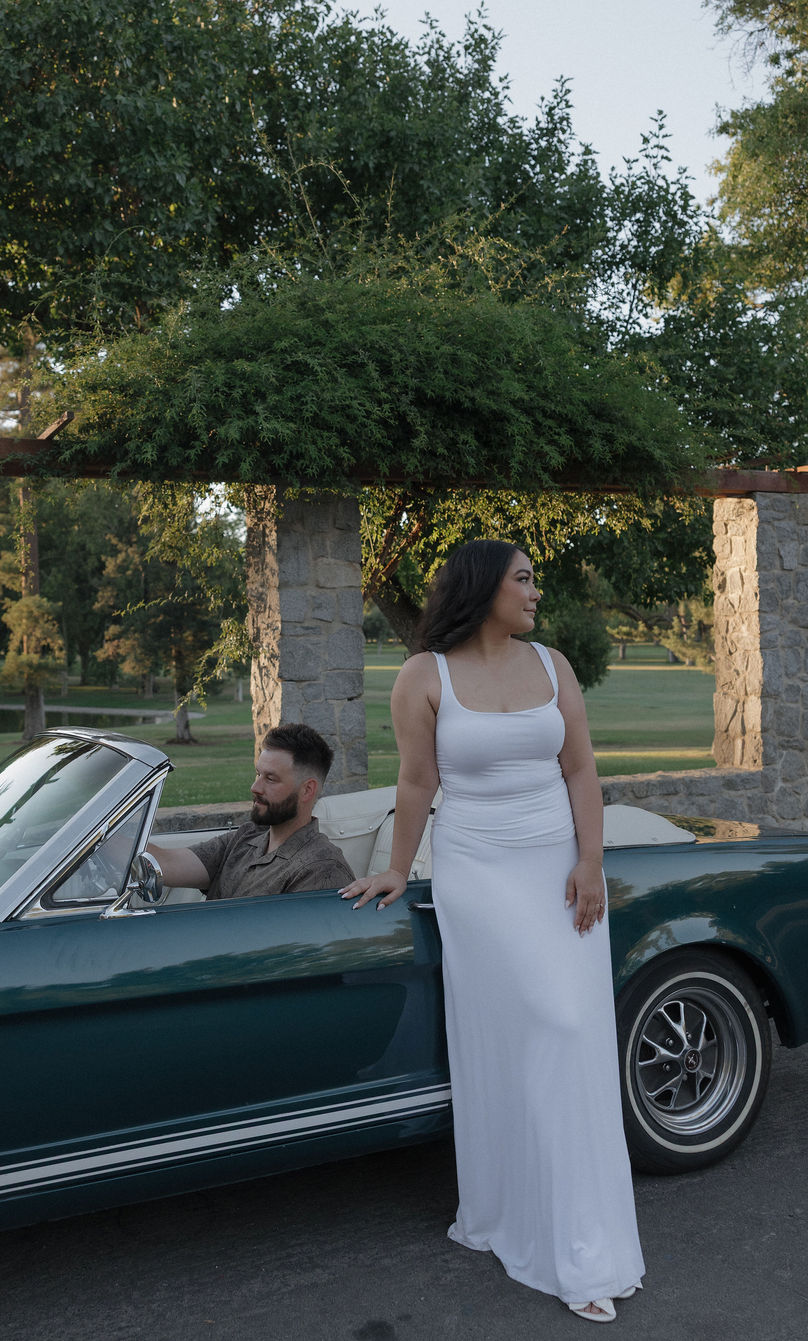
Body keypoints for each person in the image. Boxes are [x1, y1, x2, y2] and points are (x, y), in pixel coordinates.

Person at [340, 540, 644, 1323]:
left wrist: (589, 861)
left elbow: (581, 769)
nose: (537, 591)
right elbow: (416, 781)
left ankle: (579, 1238)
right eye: (525, 578)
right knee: (543, 1024)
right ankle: (517, 1215)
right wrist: (400, 870)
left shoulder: (554, 665)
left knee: (573, 1039)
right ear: (484, 587)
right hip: (477, 873)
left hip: (558, 870)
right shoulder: (424, 675)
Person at [146, 722, 354, 900]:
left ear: (307, 790)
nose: (255, 787)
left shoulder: (321, 868)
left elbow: (291, 945)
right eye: (258, 774)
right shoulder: (246, 838)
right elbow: (166, 863)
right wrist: (113, 837)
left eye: (270, 779)